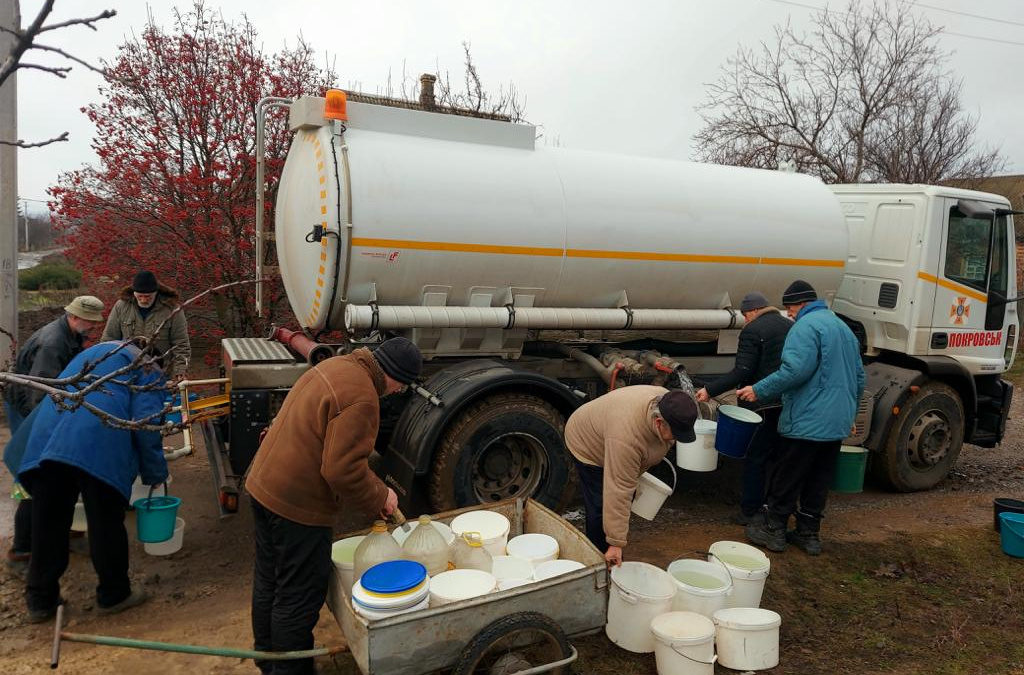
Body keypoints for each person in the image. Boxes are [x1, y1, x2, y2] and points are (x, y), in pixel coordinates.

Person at [245, 337, 422, 675]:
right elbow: (342, 470)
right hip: (296, 504)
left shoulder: (335, 366)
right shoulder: (363, 397)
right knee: (299, 593)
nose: (400, 392)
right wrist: (380, 495)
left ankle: (268, 659)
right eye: (403, 384)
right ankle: (289, 671)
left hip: (263, 484)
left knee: (270, 578)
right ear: (394, 374)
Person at [13, 340, 168, 622]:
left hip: (49, 438)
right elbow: (147, 422)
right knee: (105, 522)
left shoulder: (95, 352)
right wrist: (155, 474)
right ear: (157, 358)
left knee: (48, 522)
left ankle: (40, 600)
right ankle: (114, 595)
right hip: (99, 443)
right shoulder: (148, 367)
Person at [738, 280, 864, 556]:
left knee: (789, 474)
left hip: (808, 418)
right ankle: (809, 534)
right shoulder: (843, 328)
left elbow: (796, 371)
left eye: (790, 308)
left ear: (800, 304)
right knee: (819, 478)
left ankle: (775, 530)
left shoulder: (805, 328)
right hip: (836, 422)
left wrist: (758, 389)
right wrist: (850, 413)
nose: (789, 314)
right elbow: (859, 377)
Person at [3, 295, 106, 573]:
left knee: (63, 467)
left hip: (40, 404)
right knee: (34, 473)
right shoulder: (53, 343)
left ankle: (69, 531)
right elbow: (41, 394)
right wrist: (53, 430)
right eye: (91, 324)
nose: (93, 329)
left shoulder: (70, 335)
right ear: (75, 317)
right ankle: (21, 552)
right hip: (28, 409)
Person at [565, 385, 698, 568]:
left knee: (622, 492)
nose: (677, 439)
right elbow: (618, 490)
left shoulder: (670, 403)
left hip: (610, 431)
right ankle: (599, 561)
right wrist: (615, 543)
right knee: (600, 504)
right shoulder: (626, 438)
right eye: (676, 434)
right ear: (659, 422)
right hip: (586, 443)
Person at [696, 291, 791, 525]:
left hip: (760, 406)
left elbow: (743, 371)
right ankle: (774, 508)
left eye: (745, 316)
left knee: (756, 457)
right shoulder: (789, 325)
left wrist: (710, 390)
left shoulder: (753, 330)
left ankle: (750, 511)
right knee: (779, 457)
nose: (746, 321)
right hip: (787, 402)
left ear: (751, 312)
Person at [101, 270, 190, 380]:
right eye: (140, 296)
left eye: (148, 297)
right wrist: (106, 366)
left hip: (160, 373)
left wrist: (180, 369)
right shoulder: (121, 306)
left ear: (156, 293)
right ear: (134, 292)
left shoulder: (172, 309)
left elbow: (181, 343)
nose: (143, 300)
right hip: (126, 371)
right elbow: (109, 339)